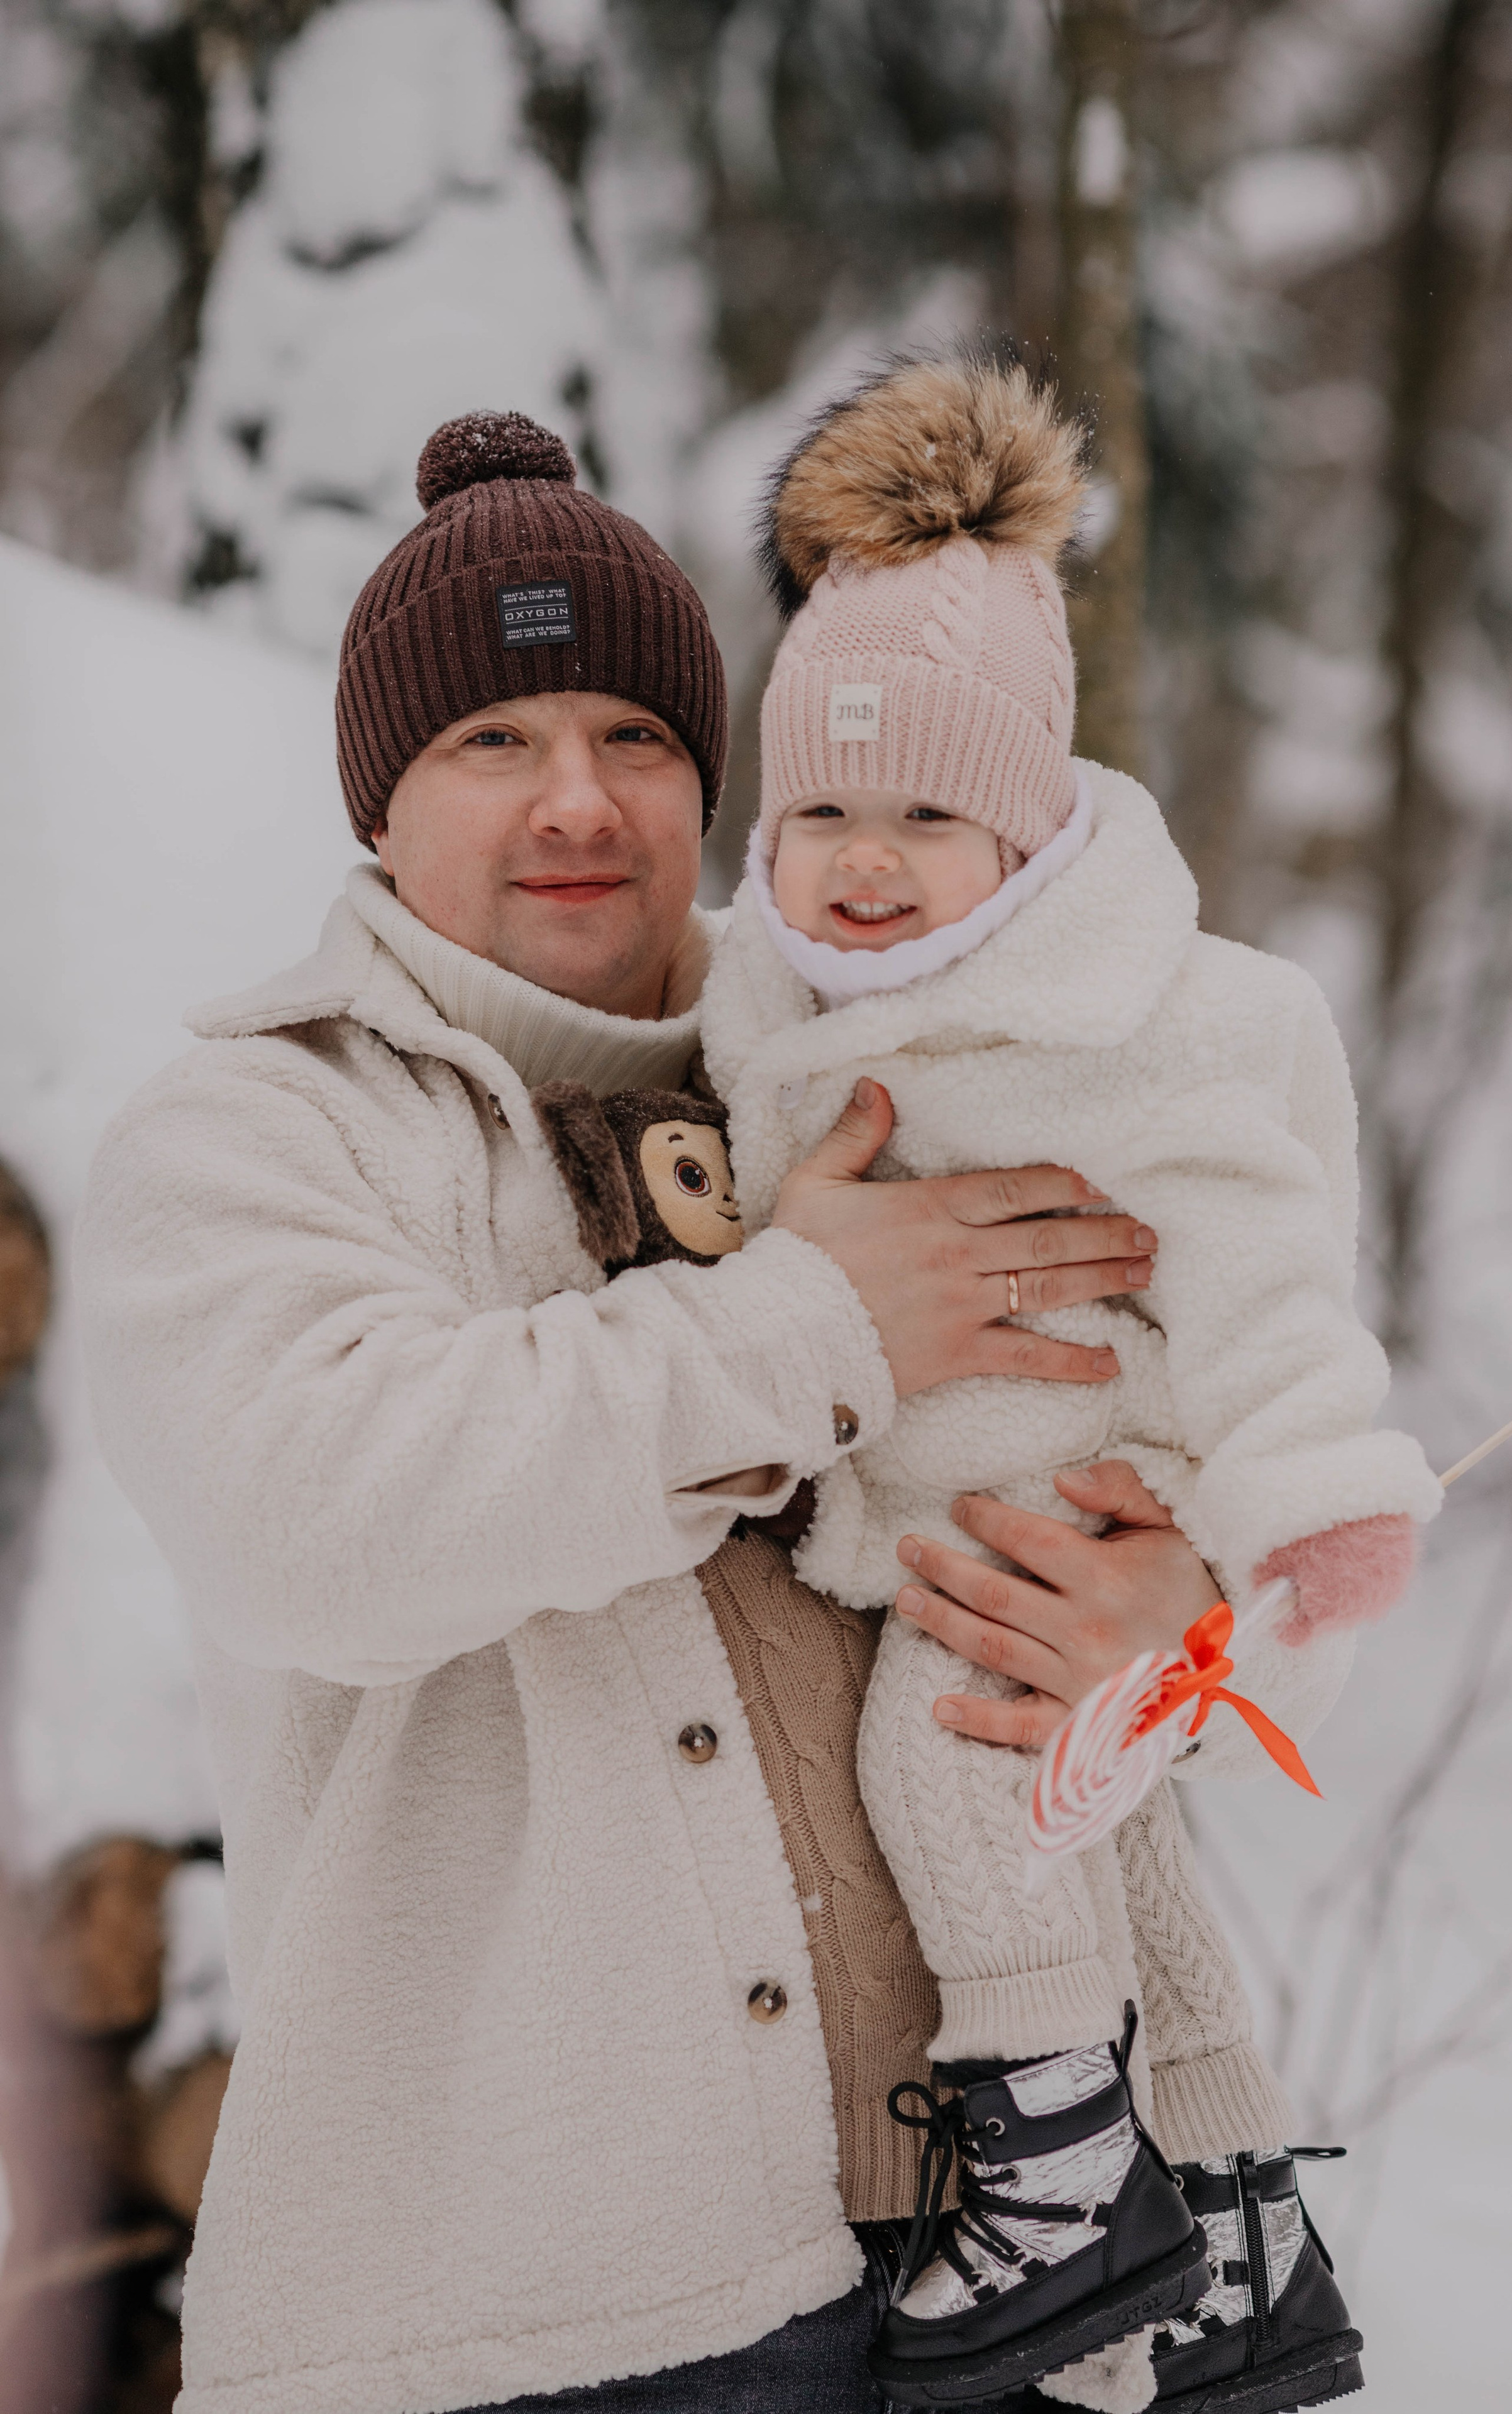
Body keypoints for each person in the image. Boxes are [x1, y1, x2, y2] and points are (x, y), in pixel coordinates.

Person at [76, 410, 1230, 2414]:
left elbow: (1182, 1412)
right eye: (491, 743)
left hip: (1001, 2244)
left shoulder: (884, 1059)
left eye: (632, 734)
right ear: (382, 800)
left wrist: (1182, 1617)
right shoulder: (257, 1131)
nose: (576, 801)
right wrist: (809, 1324)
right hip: (532, 2311)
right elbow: (317, 1520)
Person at [700, 352, 1437, 2407]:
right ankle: (1232, 2217)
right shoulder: (761, 984)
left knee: (954, 1756)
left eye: (925, 813)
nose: (861, 859)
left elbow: (1271, 1271)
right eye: (823, 808)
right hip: (950, 1507)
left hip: (1040, 1521)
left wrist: (1316, 1494)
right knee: (1116, 1849)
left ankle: (1057, 2153)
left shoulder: (1131, 1022)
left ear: (1021, 830)